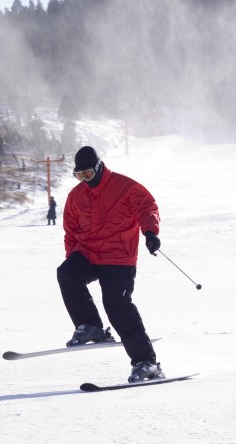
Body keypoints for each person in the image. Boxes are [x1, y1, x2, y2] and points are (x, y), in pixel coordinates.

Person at [57, 145, 164, 383]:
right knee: (66, 273)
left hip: (119, 258)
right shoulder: (76, 196)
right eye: (79, 176)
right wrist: (72, 258)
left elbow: (147, 207)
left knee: (117, 305)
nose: (84, 180)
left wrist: (150, 232)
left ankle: (146, 362)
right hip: (89, 254)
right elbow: (71, 231)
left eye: (88, 174)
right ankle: (90, 325)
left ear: (98, 167)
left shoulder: (125, 187)